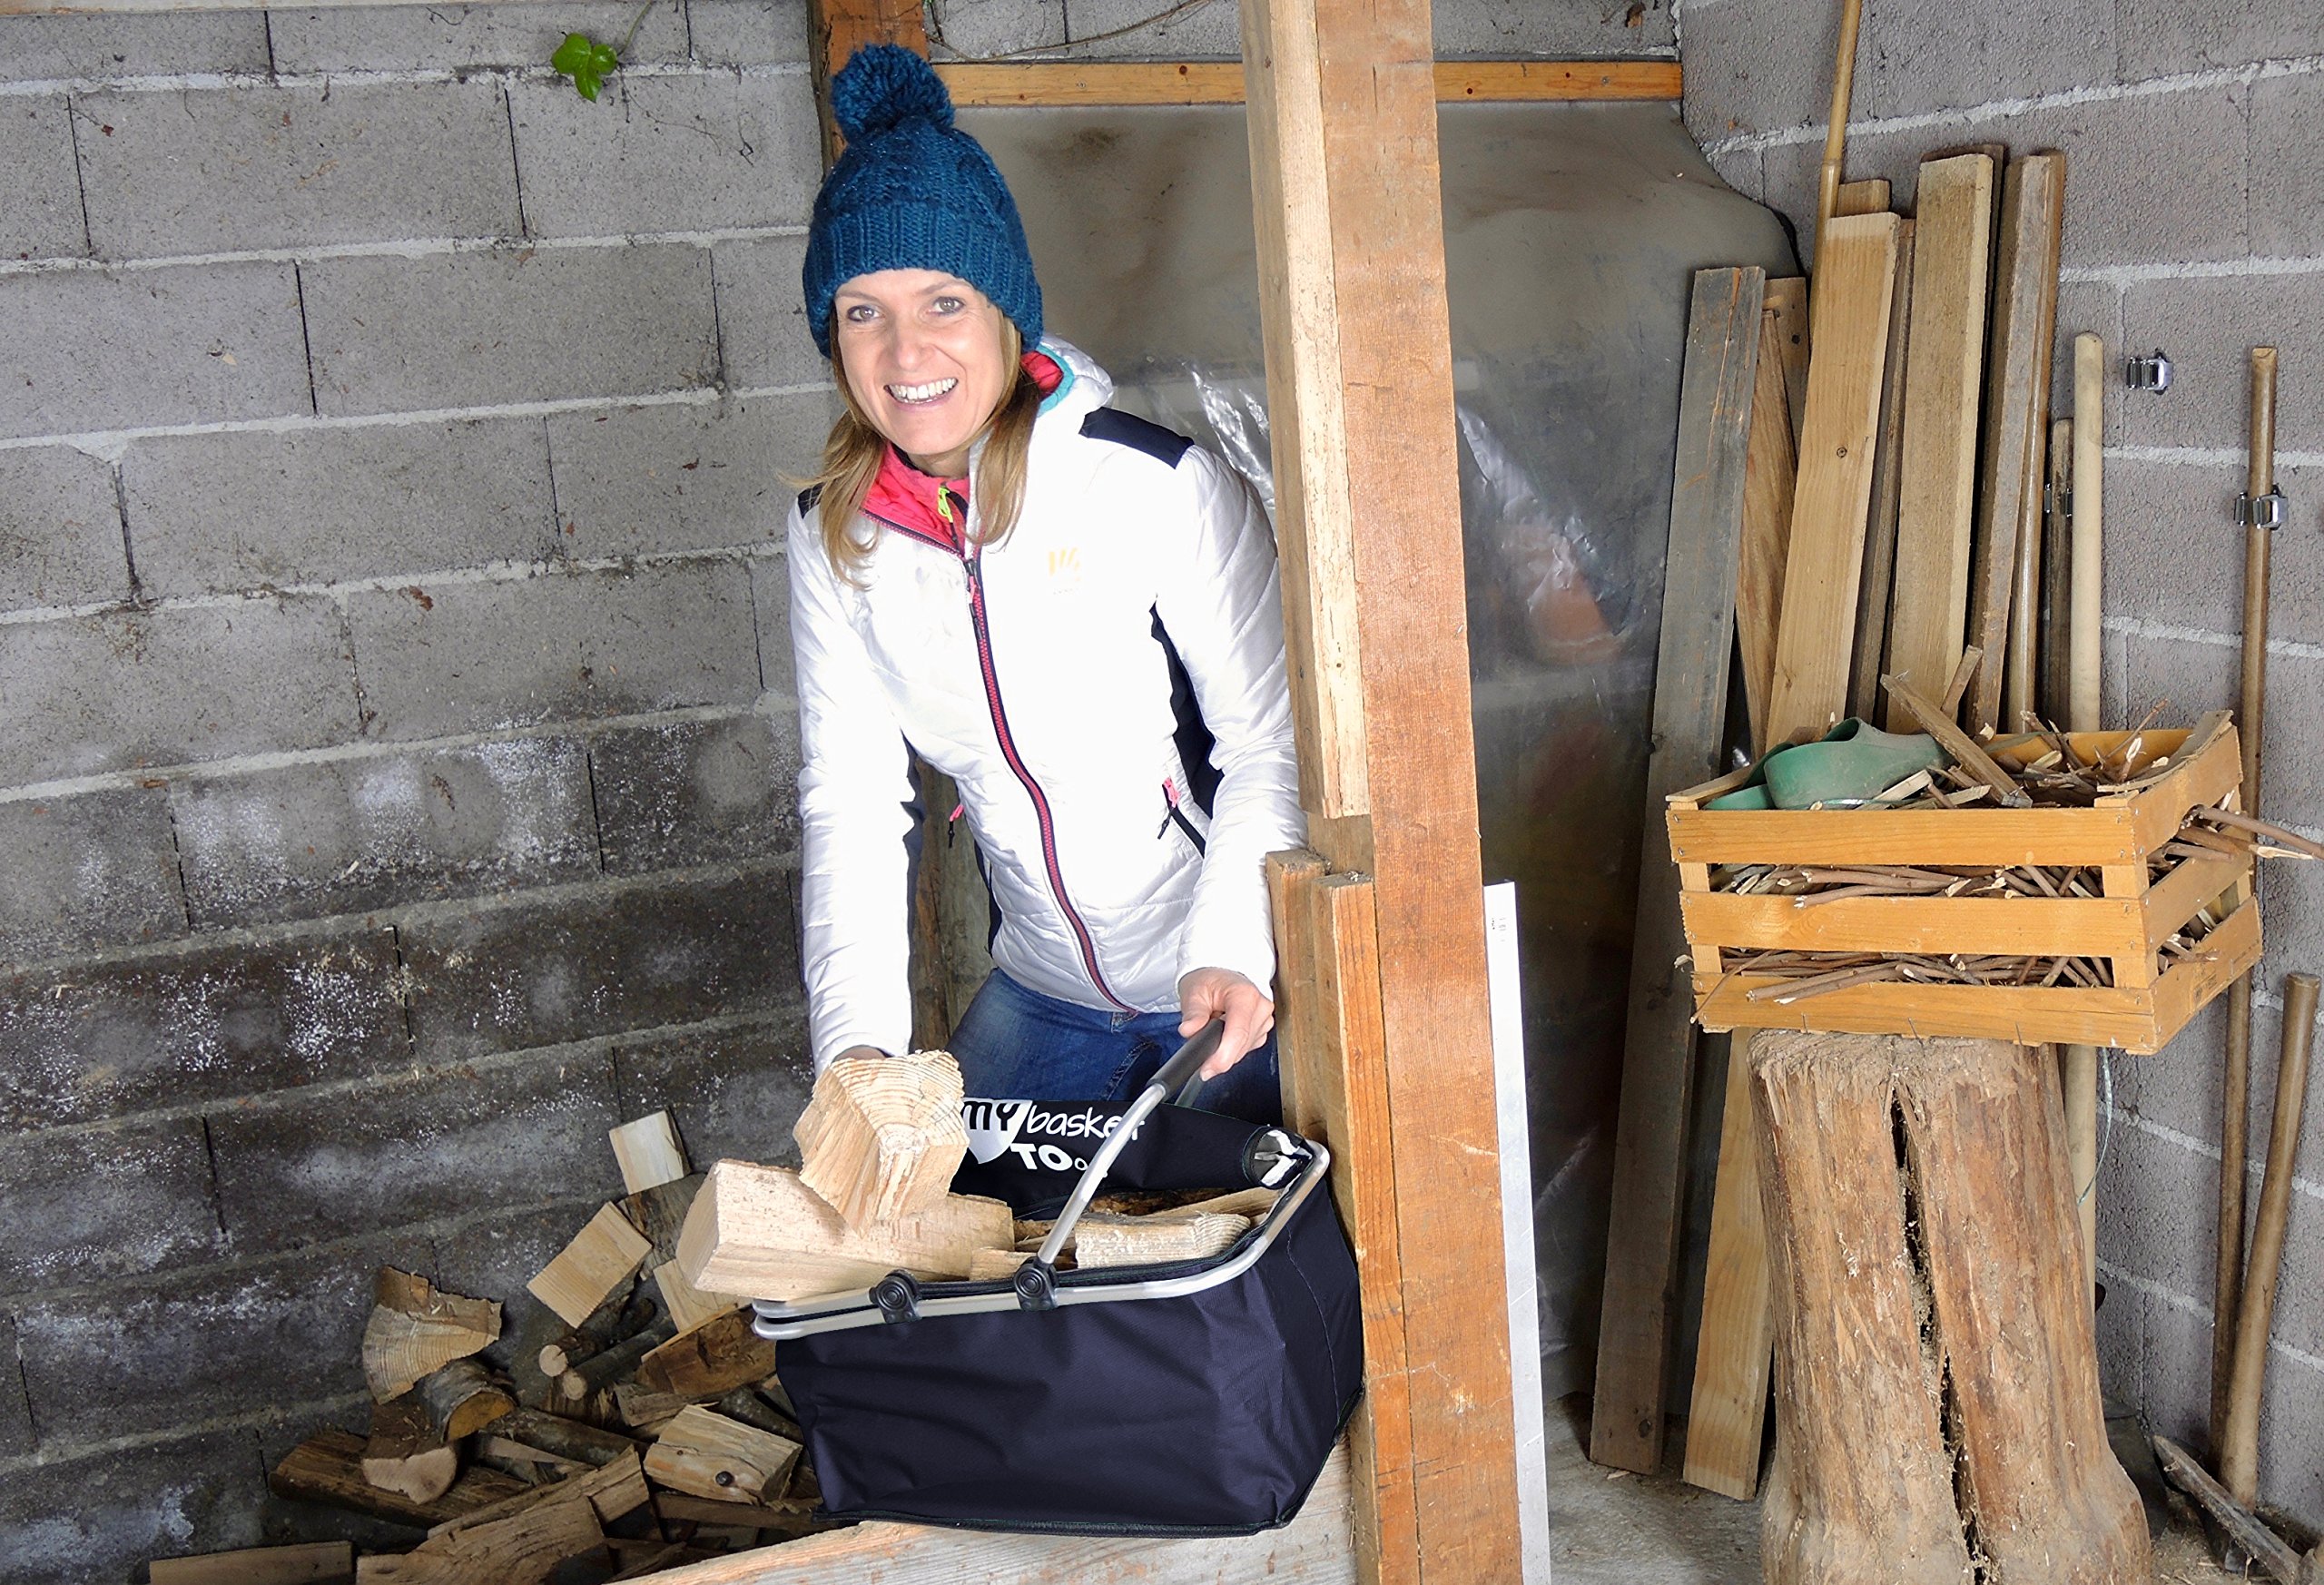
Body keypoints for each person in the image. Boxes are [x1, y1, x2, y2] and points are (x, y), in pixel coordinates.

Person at [785, 45, 1305, 1120]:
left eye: (942, 302)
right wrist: (858, 1052)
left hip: (1227, 975)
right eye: (862, 311)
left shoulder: (1151, 483)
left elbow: (1270, 742)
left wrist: (1227, 950)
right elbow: (851, 800)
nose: (904, 351)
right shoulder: (833, 533)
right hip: (1043, 988)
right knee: (943, 1220)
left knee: (1270, 1220)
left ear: (1003, 312)